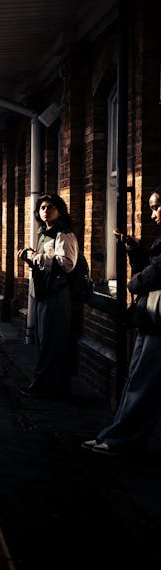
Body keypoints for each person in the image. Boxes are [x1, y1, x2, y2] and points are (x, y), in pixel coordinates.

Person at [82, 186, 161, 455]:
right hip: (151, 320)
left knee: (143, 384)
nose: (153, 214)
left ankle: (122, 441)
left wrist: (132, 283)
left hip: (157, 322)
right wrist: (136, 252)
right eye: (151, 207)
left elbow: (152, 276)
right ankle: (116, 434)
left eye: (157, 206)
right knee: (137, 379)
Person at [17, 193, 79, 398]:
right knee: (45, 341)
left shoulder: (64, 234)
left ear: (59, 210)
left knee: (51, 344)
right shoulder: (45, 233)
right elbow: (44, 264)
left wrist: (38, 257)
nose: (45, 211)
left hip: (57, 294)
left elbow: (68, 264)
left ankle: (41, 386)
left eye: (50, 207)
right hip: (44, 293)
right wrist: (30, 258)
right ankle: (57, 387)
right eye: (42, 208)